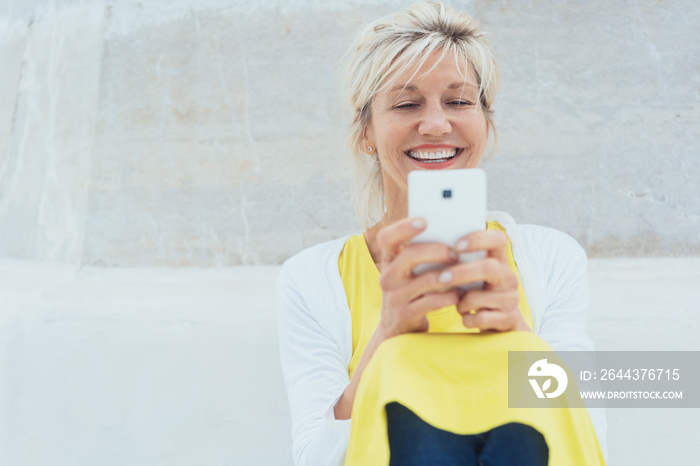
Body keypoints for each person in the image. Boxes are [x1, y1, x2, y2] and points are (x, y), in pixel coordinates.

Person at [276, 2, 606, 465]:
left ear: (485, 124)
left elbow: (588, 439)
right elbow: (313, 458)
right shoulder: (312, 278)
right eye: (407, 104)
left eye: (458, 101)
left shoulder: (551, 258)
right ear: (367, 130)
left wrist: (520, 336)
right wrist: (386, 335)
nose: (435, 124)